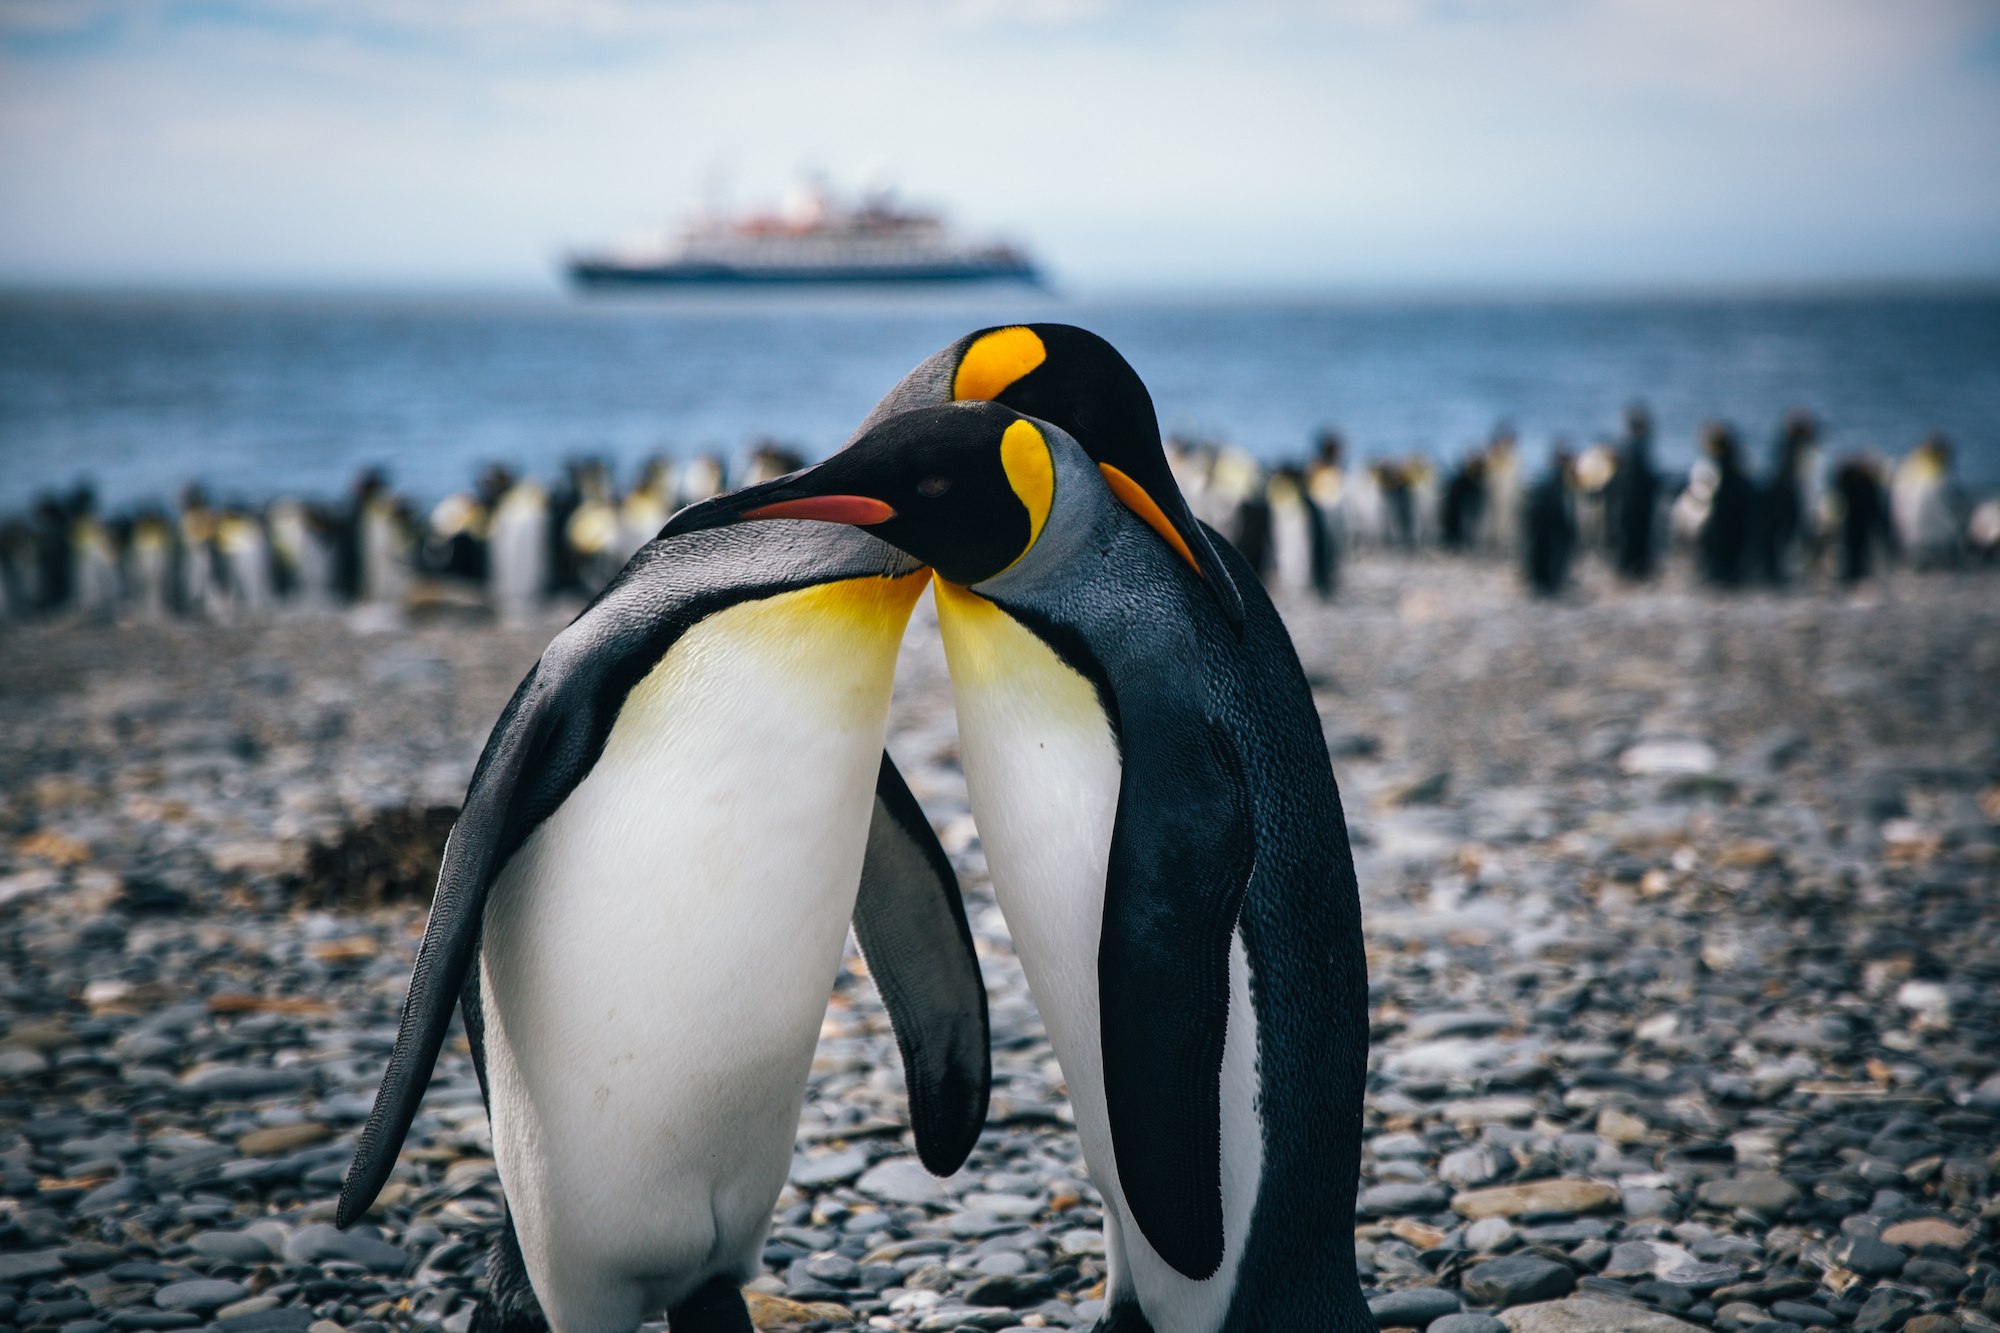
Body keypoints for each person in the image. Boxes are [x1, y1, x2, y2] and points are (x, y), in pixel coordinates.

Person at [1607, 403, 1660, 580]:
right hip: (1637, 501)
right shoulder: (1639, 447)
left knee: (1632, 534)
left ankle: (1631, 566)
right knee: (1638, 534)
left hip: (1632, 501)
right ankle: (1635, 566)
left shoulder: (1633, 448)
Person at [1523, 447, 1577, 597]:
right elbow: (1557, 511)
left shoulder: (1552, 480)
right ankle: (1546, 582)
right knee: (1550, 552)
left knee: (1543, 551)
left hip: (1544, 531)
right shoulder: (1557, 481)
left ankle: (1543, 580)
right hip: (1550, 531)